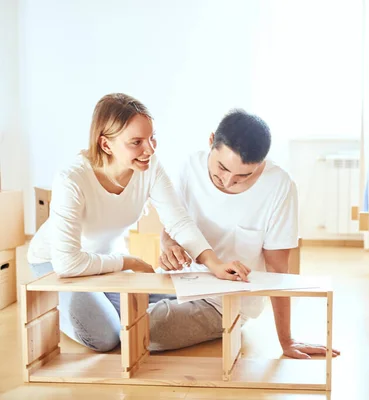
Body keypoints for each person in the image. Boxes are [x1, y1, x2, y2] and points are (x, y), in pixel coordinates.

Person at [27, 93, 250, 352]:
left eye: (152, 137)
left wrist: (215, 263)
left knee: (154, 310)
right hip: (58, 267)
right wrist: (129, 262)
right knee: (106, 339)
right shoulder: (71, 180)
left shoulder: (150, 166)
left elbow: (178, 220)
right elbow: (68, 263)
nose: (150, 149)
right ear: (106, 145)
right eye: (136, 142)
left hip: (106, 263)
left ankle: (105, 305)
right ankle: (54, 307)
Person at [158, 109, 340, 359]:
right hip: (177, 281)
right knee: (121, 309)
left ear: (261, 163)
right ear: (211, 141)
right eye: (222, 168)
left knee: (141, 331)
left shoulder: (278, 186)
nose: (228, 181)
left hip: (225, 303)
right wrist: (168, 246)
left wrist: (286, 341)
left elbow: (278, 270)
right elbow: (172, 226)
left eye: (244, 175)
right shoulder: (190, 166)